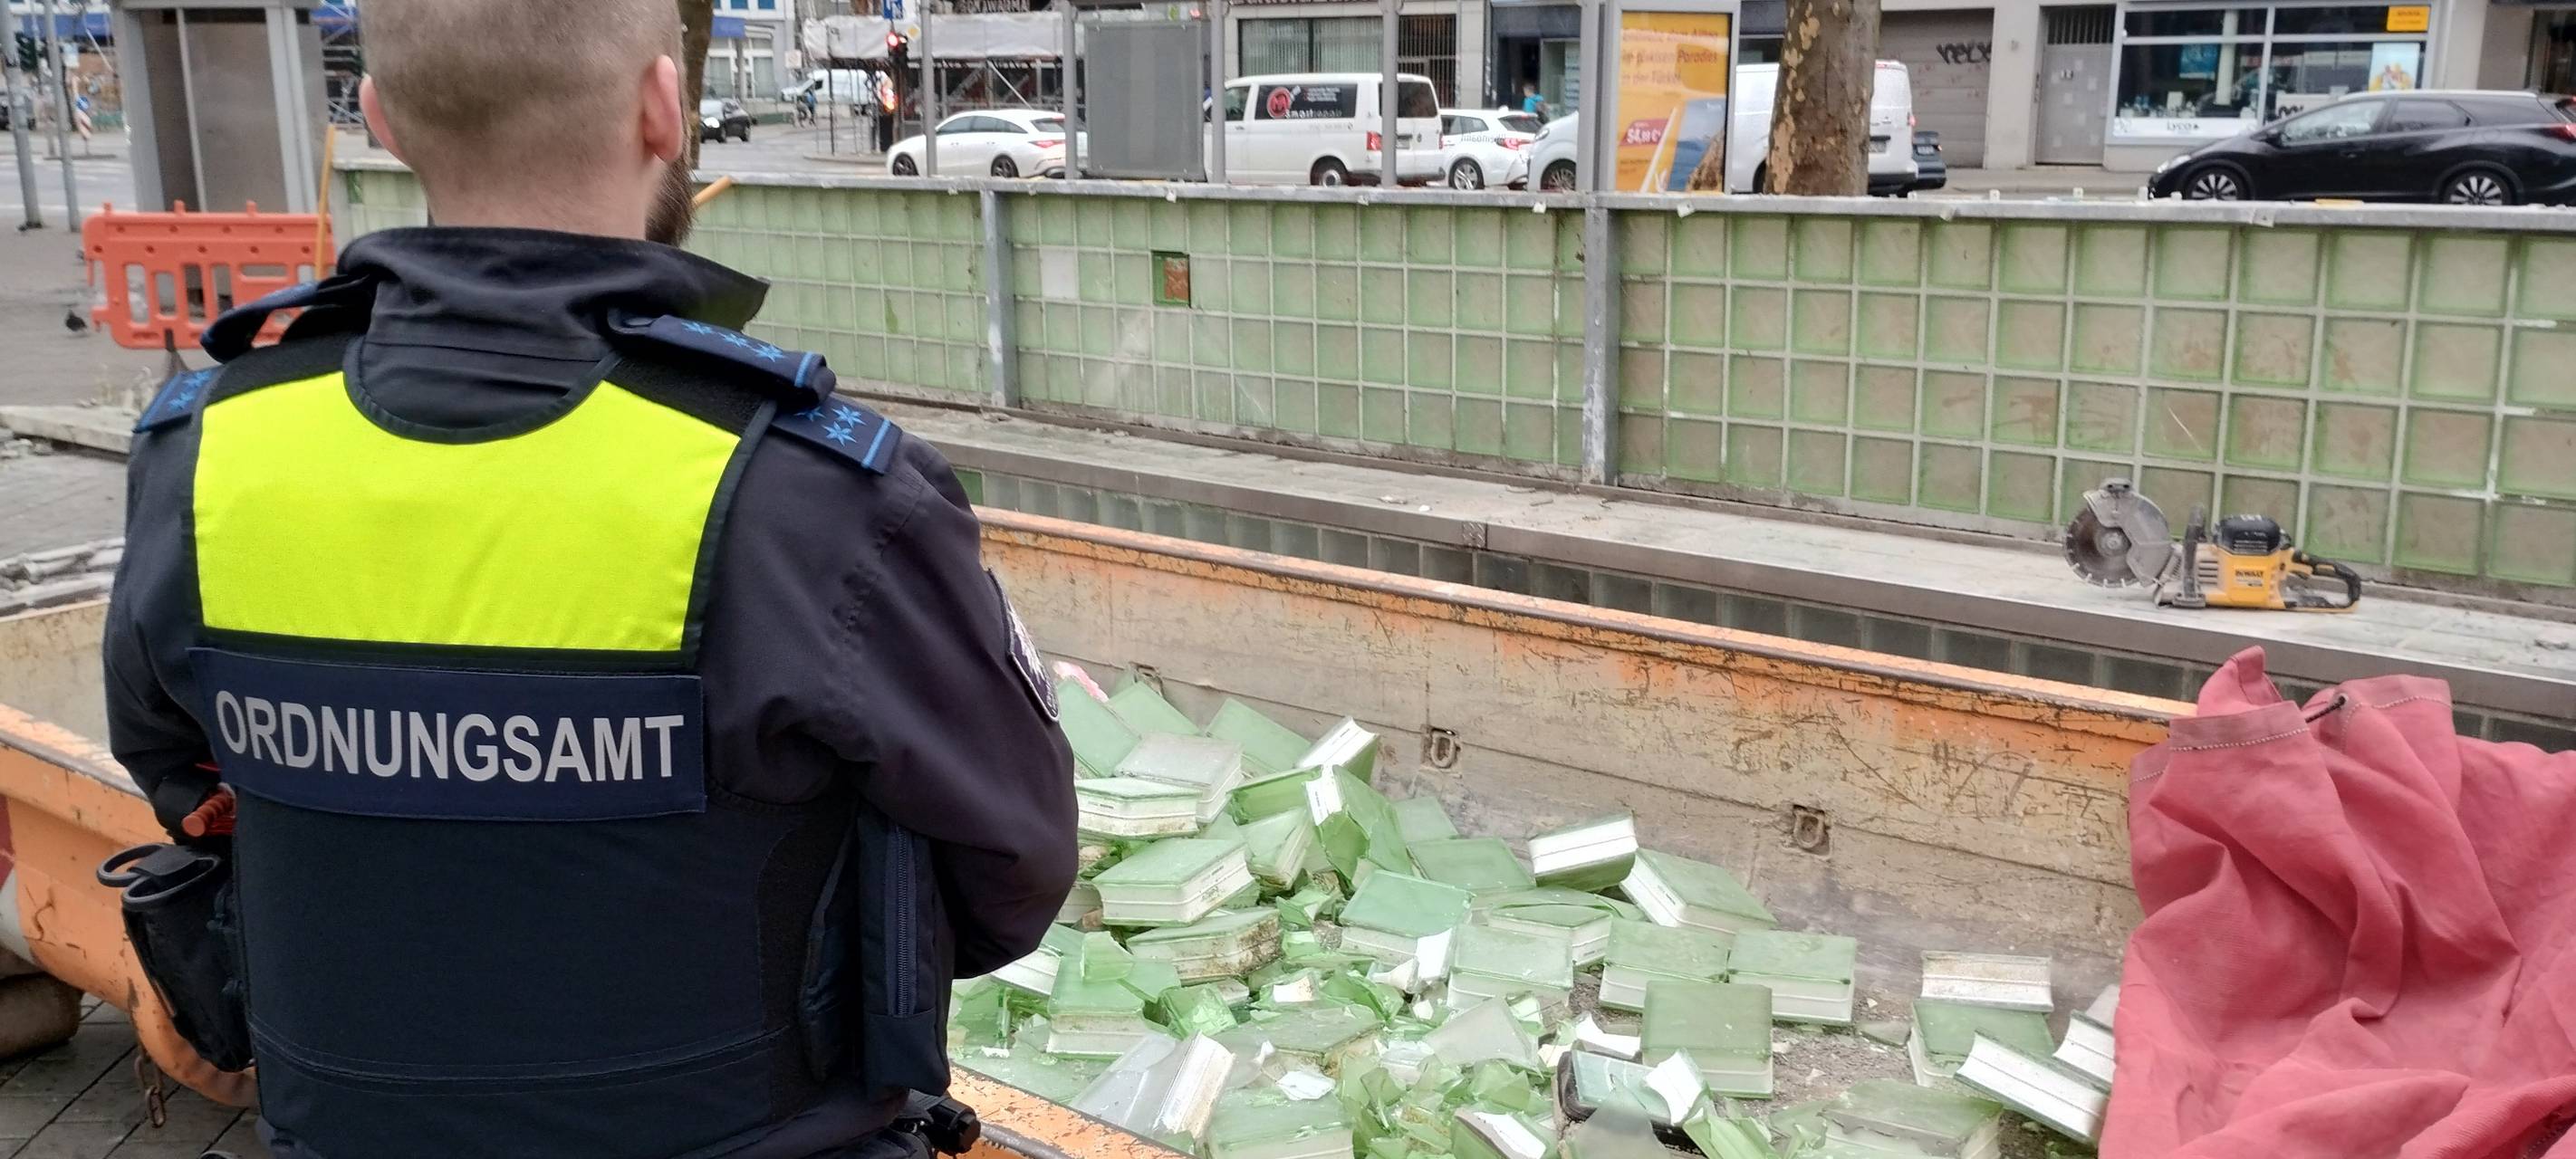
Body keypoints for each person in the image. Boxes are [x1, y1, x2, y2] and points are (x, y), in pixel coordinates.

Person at [101, 0, 1077, 1156]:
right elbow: (1014, 866)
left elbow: (180, 774)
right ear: (665, 107)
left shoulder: (205, 451)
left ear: (379, 118)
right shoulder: (812, 494)